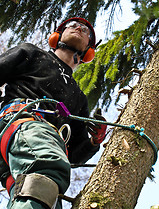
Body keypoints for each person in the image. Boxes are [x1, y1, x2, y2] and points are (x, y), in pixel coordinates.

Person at [0, 17, 107, 209]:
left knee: (46, 196)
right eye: (72, 25)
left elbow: (73, 155)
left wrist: (94, 141)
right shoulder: (31, 53)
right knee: (47, 171)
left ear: (88, 51)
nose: (79, 28)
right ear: (57, 35)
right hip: (22, 123)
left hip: (36, 144)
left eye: (86, 31)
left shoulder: (79, 97)